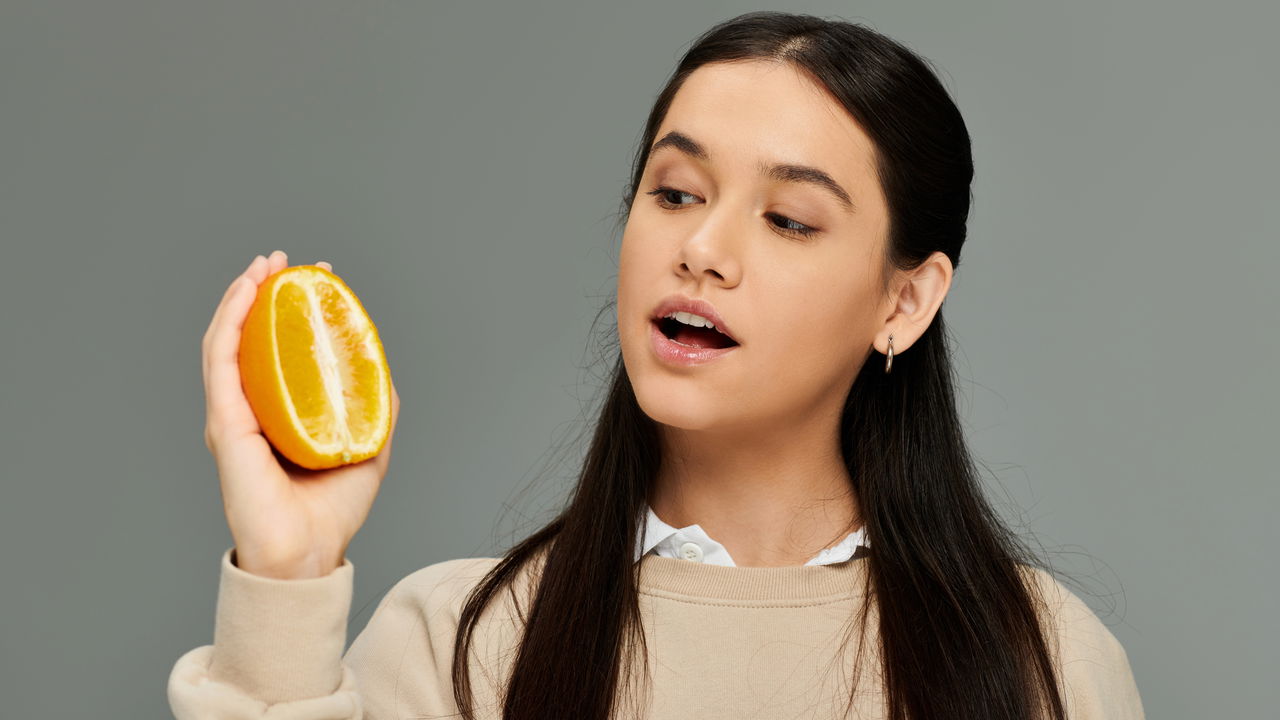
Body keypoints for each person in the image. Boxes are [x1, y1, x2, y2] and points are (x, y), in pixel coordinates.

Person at [168, 11, 1144, 720]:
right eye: (675, 193)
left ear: (904, 303)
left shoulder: (1039, 663)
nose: (702, 250)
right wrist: (286, 577)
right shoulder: (460, 643)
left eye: (787, 218)